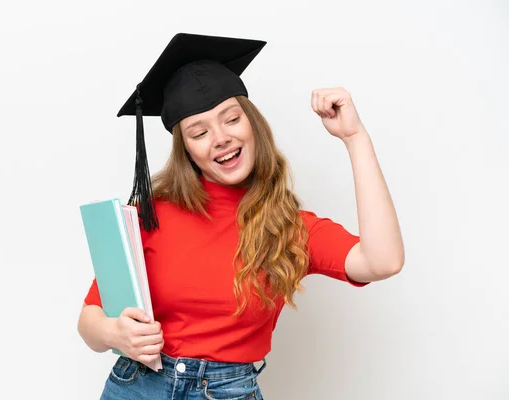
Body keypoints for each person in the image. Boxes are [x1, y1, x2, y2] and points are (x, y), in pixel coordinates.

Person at [77, 33, 404, 400]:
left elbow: (383, 261)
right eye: (199, 132)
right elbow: (89, 319)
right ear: (187, 150)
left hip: (226, 392)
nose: (220, 137)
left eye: (231, 119)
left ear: (252, 124)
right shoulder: (150, 214)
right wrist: (113, 334)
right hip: (137, 386)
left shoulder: (288, 228)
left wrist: (355, 137)